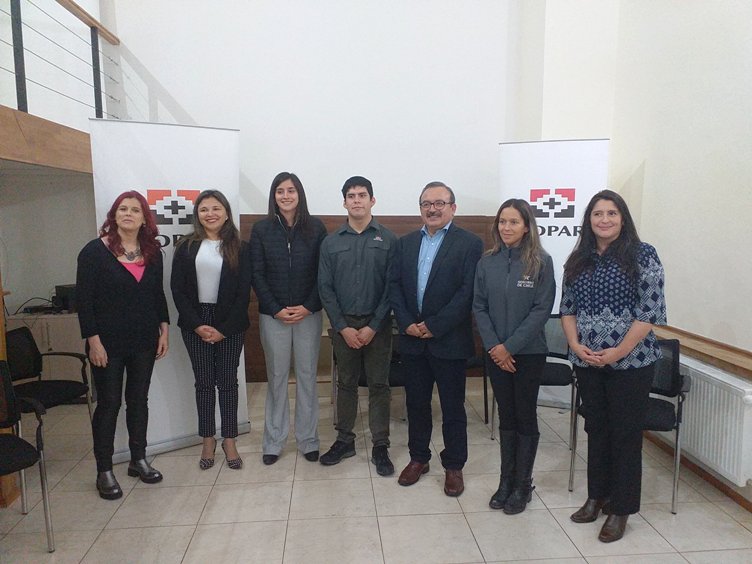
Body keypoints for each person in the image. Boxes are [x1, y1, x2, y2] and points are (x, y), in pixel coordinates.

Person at [561, 189, 666, 543]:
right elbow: (568, 308)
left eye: (611, 213)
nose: (604, 219)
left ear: (623, 218)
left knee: (625, 434)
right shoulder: (578, 258)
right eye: (597, 214)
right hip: (588, 361)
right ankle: (597, 497)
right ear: (588, 221)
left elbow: (649, 311)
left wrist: (618, 351)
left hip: (631, 362)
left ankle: (621, 509)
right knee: (597, 428)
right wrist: (575, 344)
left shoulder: (642, 255)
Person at [390, 181, 483, 496]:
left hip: (449, 340)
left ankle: (454, 465)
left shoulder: (470, 244)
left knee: (453, 407)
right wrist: (408, 324)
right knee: (416, 403)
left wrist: (435, 325)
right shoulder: (404, 244)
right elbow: (395, 288)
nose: (432, 208)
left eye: (440, 203)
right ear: (420, 209)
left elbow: (467, 292)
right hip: (413, 340)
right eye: (426, 203)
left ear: (453, 208)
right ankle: (419, 458)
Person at [76, 191, 169, 500]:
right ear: (114, 215)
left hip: (144, 339)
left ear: (144, 219)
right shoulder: (93, 252)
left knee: (138, 400)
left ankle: (138, 459)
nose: (128, 213)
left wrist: (164, 330)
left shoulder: (153, 252)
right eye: (123, 209)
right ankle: (104, 469)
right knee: (109, 403)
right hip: (107, 344)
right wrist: (93, 342)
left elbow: (157, 296)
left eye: (135, 210)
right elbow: (84, 302)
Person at [473, 199, 555, 514]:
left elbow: (541, 310)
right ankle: (505, 482)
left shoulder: (541, 262)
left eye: (513, 222)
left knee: (525, 415)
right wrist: (496, 346)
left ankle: (523, 484)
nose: (506, 228)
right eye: (502, 222)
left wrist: (510, 347)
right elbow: (478, 305)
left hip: (528, 353)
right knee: (505, 416)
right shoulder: (487, 261)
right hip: (497, 354)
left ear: (526, 226)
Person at [318, 176, 397, 476]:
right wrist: (342, 327)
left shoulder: (389, 240)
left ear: (372, 200)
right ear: (344, 202)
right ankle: (344, 440)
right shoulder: (331, 242)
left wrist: (374, 326)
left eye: (362, 195)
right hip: (344, 327)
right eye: (351, 196)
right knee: (346, 384)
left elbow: (392, 287)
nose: (356, 200)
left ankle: (380, 445)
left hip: (378, 326)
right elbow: (325, 287)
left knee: (379, 385)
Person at [250, 172, 327, 465]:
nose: (285, 196)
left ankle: (308, 440)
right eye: (280, 191)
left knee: (307, 376)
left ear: (300, 195)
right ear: (273, 196)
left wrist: (308, 306)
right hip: (274, 315)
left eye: (291, 190)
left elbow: (324, 273)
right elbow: (256, 273)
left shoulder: (316, 228)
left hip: (308, 314)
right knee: (277, 377)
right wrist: (275, 308)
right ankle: (274, 440)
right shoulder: (261, 229)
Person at [171, 190, 251, 470]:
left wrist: (224, 329)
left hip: (230, 321)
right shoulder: (185, 246)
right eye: (204, 209)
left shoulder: (240, 247)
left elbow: (244, 295)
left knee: (228, 383)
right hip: (196, 321)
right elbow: (177, 290)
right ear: (198, 215)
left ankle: (229, 439)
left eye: (216, 208)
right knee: (204, 384)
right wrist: (196, 324)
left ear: (226, 212)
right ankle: (208, 439)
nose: (210, 214)